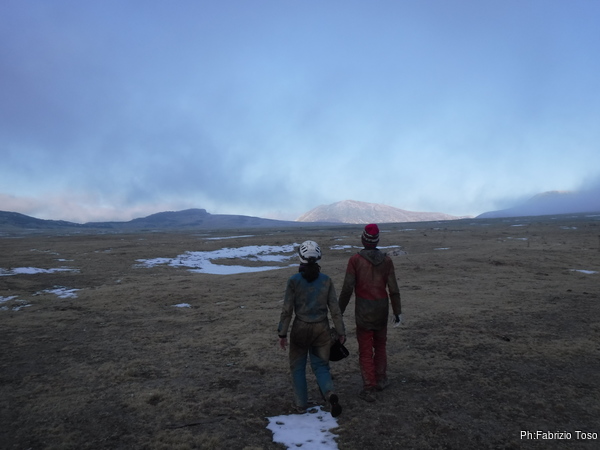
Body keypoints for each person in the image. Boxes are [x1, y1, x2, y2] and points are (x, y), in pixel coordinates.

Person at [278, 240, 346, 417]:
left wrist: (282, 333)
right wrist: (340, 332)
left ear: (300, 257)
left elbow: (287, 310)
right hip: (322, 328)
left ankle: (301, 404)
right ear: (318, 257)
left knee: (297, 367)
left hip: (300, 328)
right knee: (321, 366)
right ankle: (330, 395)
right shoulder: (326, 280)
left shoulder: (293, 281)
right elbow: (335, 310)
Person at [339, 224, 402, 402]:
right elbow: (393, 289)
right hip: (382, 309)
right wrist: (397, 311)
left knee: (365, 349)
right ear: (377, 240)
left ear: (363, 239)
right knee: (380, 345)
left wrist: (339, 311)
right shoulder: (386, 261)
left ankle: (369, 387)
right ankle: (381, 379)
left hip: (364, 311)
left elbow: (347, 289)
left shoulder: (355, 260)